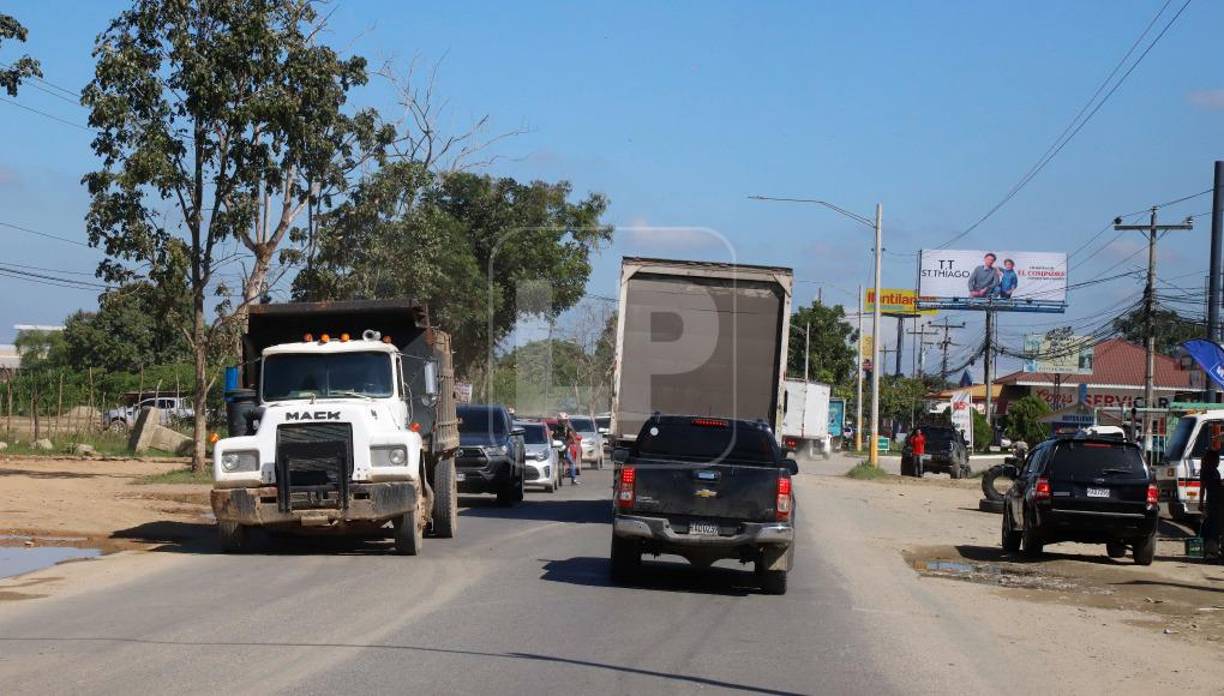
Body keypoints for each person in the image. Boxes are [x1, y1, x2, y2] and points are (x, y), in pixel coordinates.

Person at [1200, 430, 1222, 558]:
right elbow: (1203, 488)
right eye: (1217, 460)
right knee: (1213, 525)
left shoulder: (1210, 471)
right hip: (1214, 502)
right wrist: (1201, 503)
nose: (1218, 462)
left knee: (1211, 525)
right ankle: (1211, 550)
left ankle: (1211, 549)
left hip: (1213, 502)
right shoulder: (1210, 472)